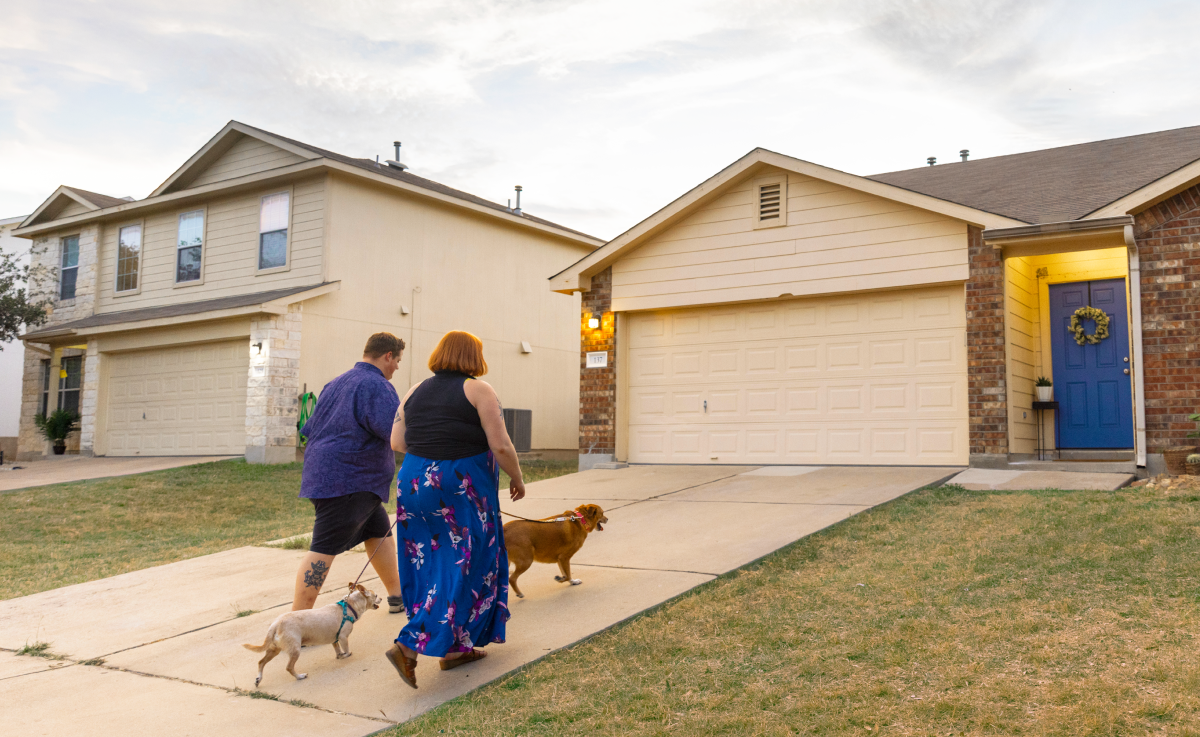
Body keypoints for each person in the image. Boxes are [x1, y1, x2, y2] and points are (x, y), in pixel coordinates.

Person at [384, 330, 526, 689]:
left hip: (414, 482)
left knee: (428, 564)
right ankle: (408, 645)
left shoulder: (414, 390)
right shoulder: (479, 390)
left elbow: (397, 441)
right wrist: (517, 478)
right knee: (467, 563)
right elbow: (502, 445)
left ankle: (453, 650)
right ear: (473, 358)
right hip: (458, 484)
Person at [292, 332, 407, 614]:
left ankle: (397, 597)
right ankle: (297, 620)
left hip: (328, 475)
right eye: (398, 360)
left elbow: (311, 430)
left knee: (378, 530)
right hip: (349, 481)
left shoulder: (336, 383)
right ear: (387, 356)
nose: (397, 367)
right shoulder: (377, 385)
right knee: (323, 549)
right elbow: (395, 434)